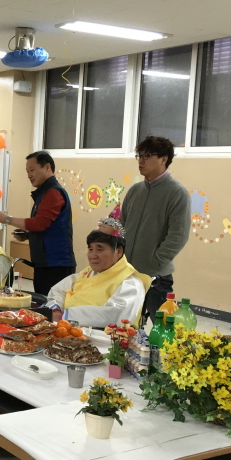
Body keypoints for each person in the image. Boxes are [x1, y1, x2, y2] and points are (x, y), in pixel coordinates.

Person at [121, 136, 191, 323]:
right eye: (139, 156)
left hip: (157, 278)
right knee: (125, 327)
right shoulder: (135, 191)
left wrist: (155, 262)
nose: (141, 161)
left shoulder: (177, 193)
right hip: (127, 273)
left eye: (147, 156)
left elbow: (178, 236)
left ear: (163, 159)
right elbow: (122, 226)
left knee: (163, 329)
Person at [46, 207, 151, 328]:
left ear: (118, 251)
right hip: (66, 328)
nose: (92, 255)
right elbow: (58, 291)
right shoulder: (86, 273)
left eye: (99, 249)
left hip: (103, 336)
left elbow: (115, 315)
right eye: (91, 249)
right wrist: (56, 310)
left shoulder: (130, 283)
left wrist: (65, 316)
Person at [0, 151, 75, 295]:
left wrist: (7, 219)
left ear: (47, 167)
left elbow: (39, 223)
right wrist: (29, 235)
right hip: (45, 264)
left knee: (52, 304)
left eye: (32, 170)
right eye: (27, 171)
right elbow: (48, 227)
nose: (29, 175)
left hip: (56, 265)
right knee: (42, 302)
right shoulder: (43, 193)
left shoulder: (53, 193)